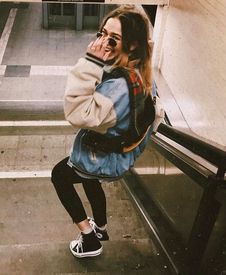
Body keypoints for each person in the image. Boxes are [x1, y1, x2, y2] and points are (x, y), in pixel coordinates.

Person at [51, 5, 164, 259]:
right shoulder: (139, 74)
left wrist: (90, 62)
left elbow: (77, 112)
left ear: (132, 45)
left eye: (113, 39)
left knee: (59, 176)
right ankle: (100, 228)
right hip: (112, 156)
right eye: (102, 33)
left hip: (101, 158)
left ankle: (90, 239)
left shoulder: (118, 91)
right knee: (90, 181)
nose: (102, 42)